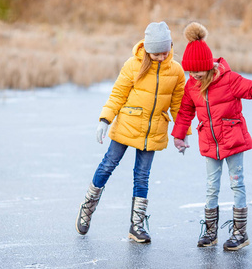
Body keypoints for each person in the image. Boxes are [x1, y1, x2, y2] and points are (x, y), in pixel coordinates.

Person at [171, 22, 252, 251]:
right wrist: (179, 136)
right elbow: (185, 111)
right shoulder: (191, 86)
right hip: (209, 142)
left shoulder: (229, 79)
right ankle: (211, 231)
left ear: (208, 65)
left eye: (197, 70)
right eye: (190, 71)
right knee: (211, 187)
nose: (194, 74)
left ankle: (240, 233)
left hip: (233, 141)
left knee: (237, 185)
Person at [76, 21, 188, 243]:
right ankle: (87, 208)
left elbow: (179, 105)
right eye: (156, 53)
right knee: (108, 164)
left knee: (142, 177)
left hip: (153, 130)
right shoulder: (133, 65)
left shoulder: (176, 70)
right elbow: (118, 94)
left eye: (164, 51)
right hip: (127, 124)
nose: (161, 56)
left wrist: (181, 133)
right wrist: (104, 120)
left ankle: (136, 226)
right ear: (147, 49)